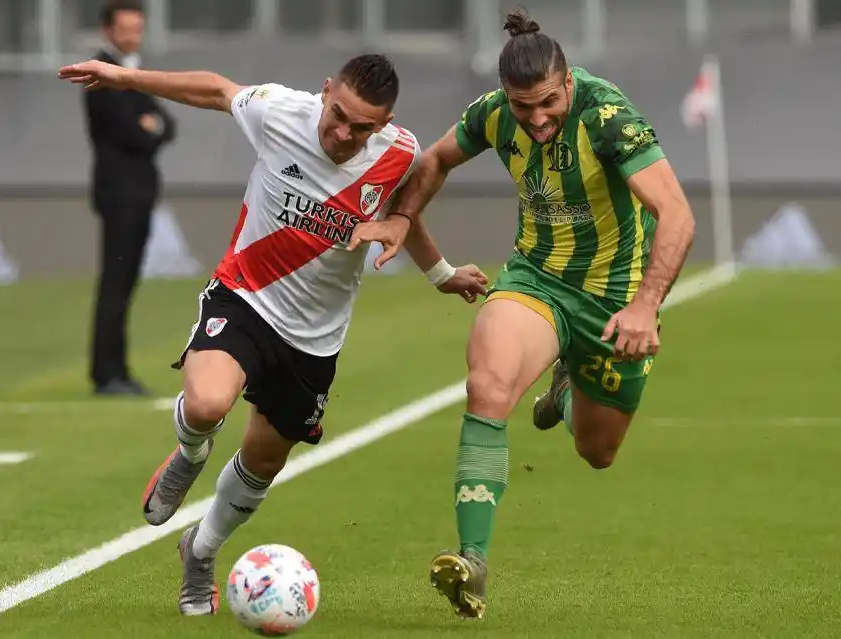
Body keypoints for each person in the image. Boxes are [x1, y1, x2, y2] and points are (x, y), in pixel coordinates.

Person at [58, 53, 489, 616]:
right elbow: (215, 88)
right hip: (244, 296)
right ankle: (189, 453)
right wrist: (125, 78)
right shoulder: (279, 112)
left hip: (313, 338)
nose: (343, 134)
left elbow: (404, 216)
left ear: (383, 123)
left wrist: (441, 274)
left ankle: (200, 551)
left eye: (361, 127)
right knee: (207, 404)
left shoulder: (399, 152)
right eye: (338, 115)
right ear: (325, 91)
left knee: (262, 463)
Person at [348, 8, 696, 619]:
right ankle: (473, 562)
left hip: (614, 300)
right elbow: (435, 160)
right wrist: (401, 218)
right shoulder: (492, 114)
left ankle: (567, 391)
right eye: (522, 106)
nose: (536, 119)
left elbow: (677, 214)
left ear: (568, 82)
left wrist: (645, 306)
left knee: (598, 451)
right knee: (487, 386)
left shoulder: (608, 117)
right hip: (536, 281)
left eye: (548, 103)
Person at [84, 0, 176, 396]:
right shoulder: (102, 75)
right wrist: (149, 127)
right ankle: (107, 373)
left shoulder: (130, 73)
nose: (132, 36)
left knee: (125, 284)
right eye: (125, 29)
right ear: (108, 30)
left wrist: (151, 125)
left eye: (137, 29)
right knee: (115, 283)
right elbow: (135, 133)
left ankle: (117, 369)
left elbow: (167, 125)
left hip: (138, 193)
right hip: (119, 193)